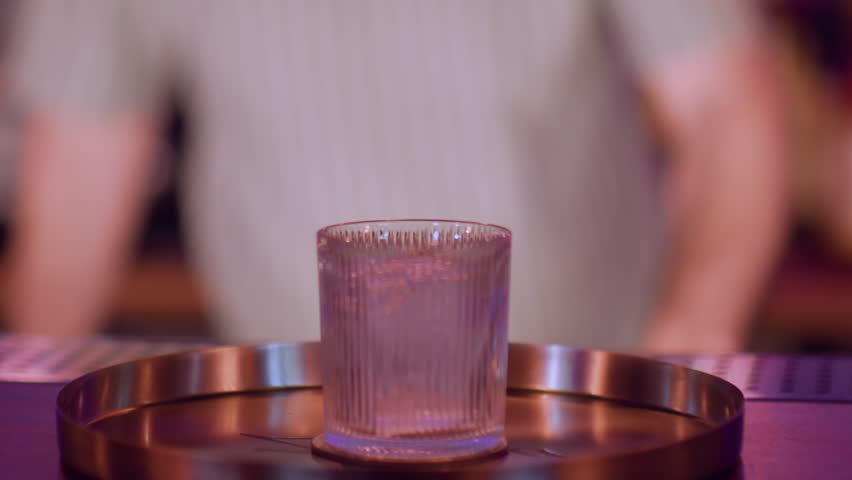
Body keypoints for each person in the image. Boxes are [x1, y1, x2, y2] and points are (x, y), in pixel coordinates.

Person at [5, 0, 788, 352]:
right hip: (290, 441)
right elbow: (77, 168)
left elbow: (728, 113)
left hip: (583, 439)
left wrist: (686, 351)